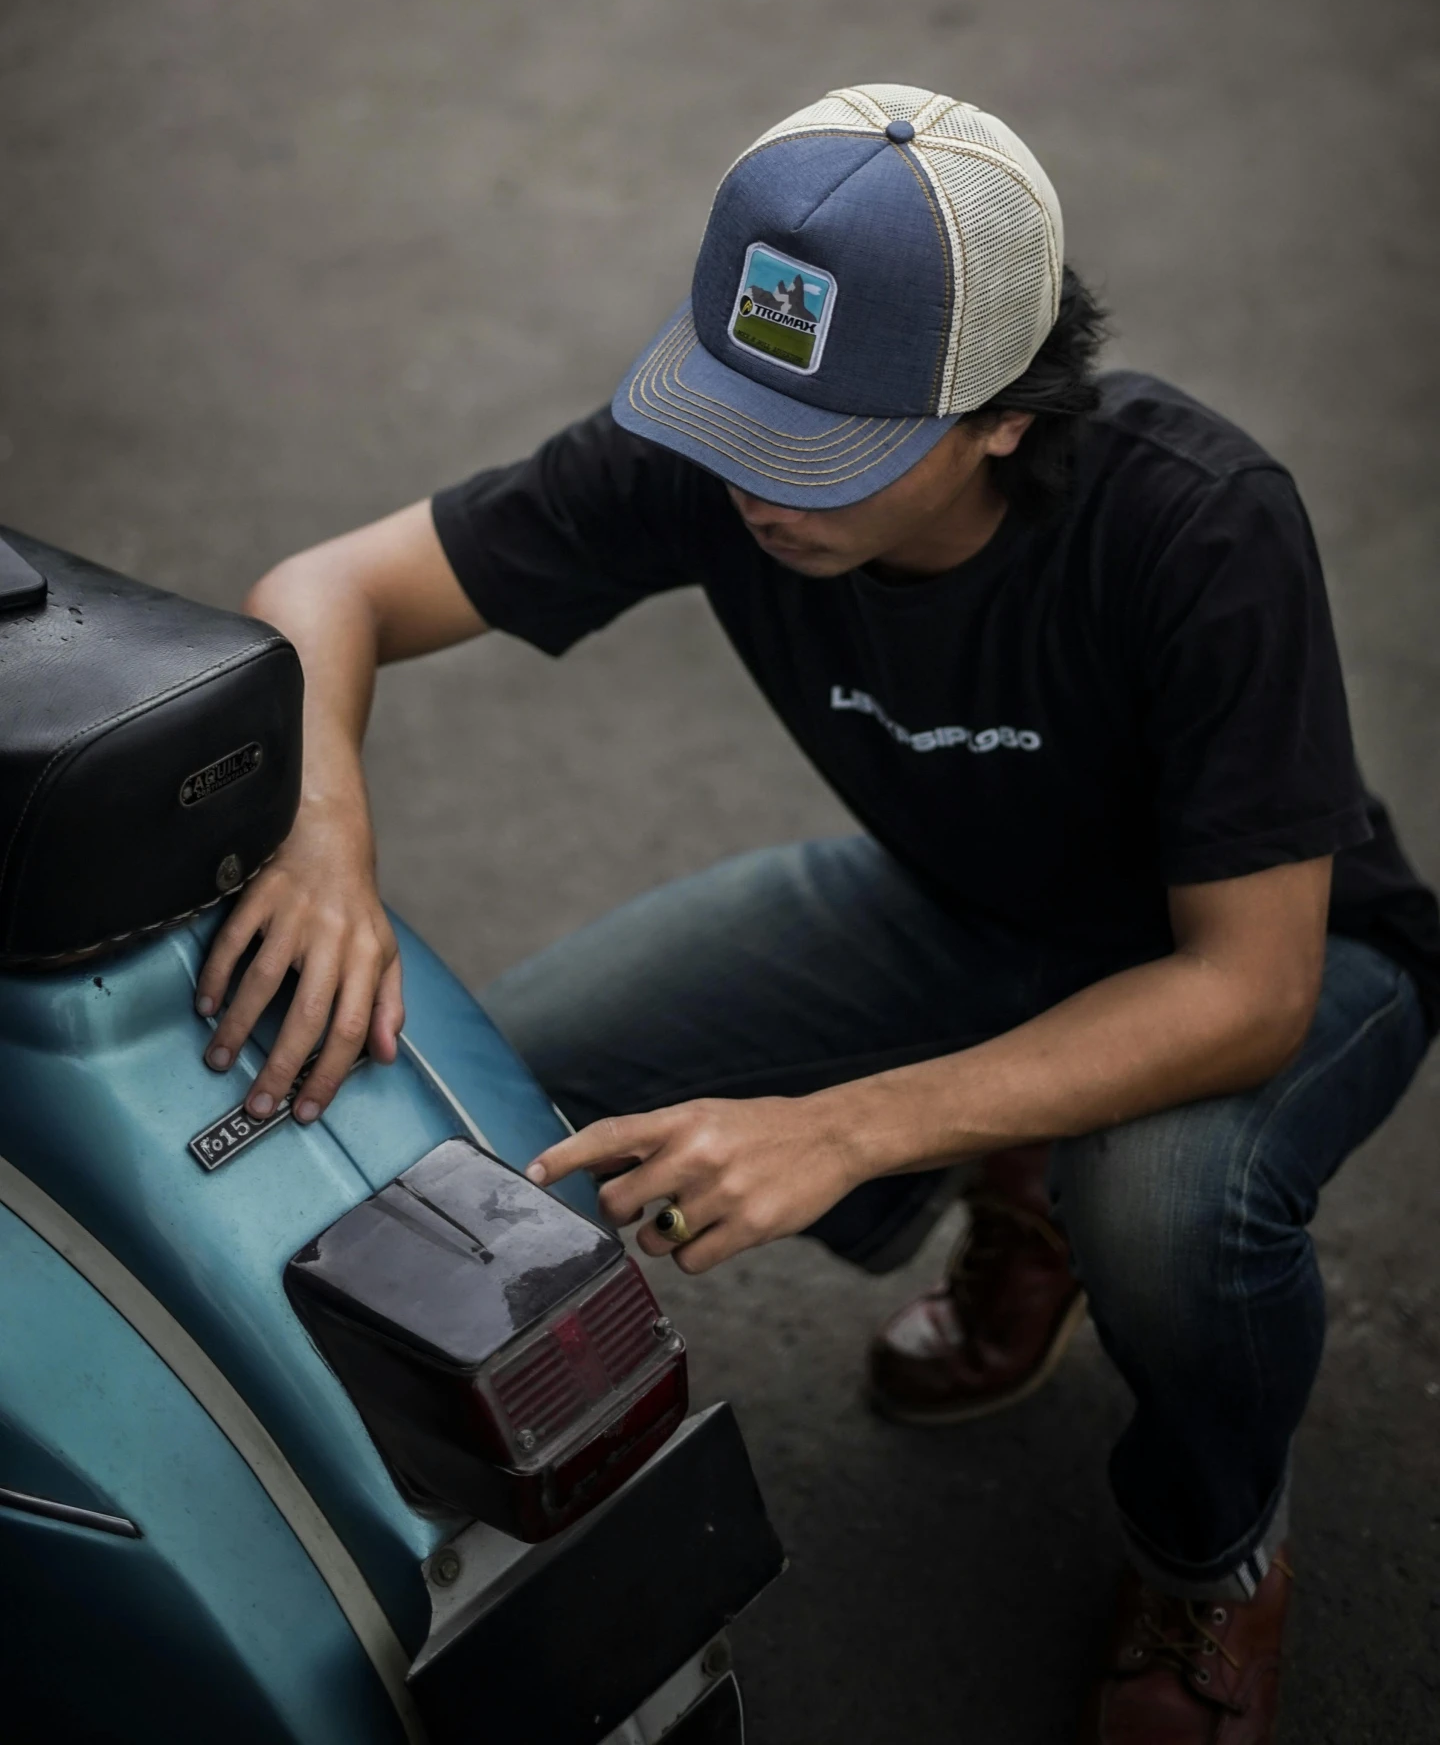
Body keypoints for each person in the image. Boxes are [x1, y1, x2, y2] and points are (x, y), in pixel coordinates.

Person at [201, 84, 1438, 1745]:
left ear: (1005, 413)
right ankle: (1018, 1172)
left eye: (824, 450)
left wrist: (845, 1126)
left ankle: (1209, 1549)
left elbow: (1251, 989)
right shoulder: (709, 463)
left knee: (1160, 1196)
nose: (756, 490)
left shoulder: (1200, 522)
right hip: (959, 901)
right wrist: (323, 838)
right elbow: (325, 589)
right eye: (732, 415)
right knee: (495, 1075)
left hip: (1267, 949)